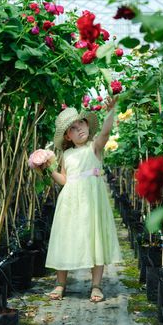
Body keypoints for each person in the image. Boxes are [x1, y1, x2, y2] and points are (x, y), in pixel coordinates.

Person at [45, 96, 121, 302]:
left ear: (87, 124)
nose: (78, 128)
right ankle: (60, 283)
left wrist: (111, 112)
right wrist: (48, 168)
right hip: (70, 201)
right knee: (66, 237)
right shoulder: (66, 155)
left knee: (95, 237)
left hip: (92, 200)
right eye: (72, 128)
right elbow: (64, 179)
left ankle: (96, 285)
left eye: (81, 123)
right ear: (67, 137)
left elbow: (105, 133)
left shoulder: (94, 147)